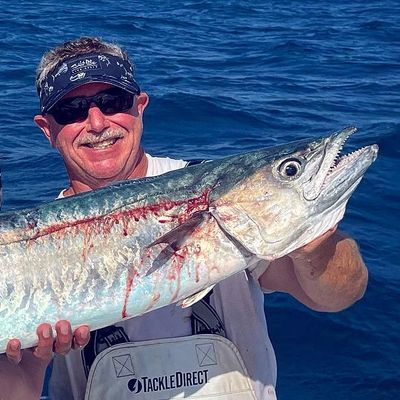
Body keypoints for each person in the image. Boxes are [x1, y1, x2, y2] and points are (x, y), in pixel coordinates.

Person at [0, 37, 368, 400]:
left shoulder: (214, 195)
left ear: (139, 107)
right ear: (47, 129)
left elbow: (336, 297)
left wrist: (314, 243)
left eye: (112, 102)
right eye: (72, 110)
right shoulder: (29, 237)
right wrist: (33, 356)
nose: (96, 122)